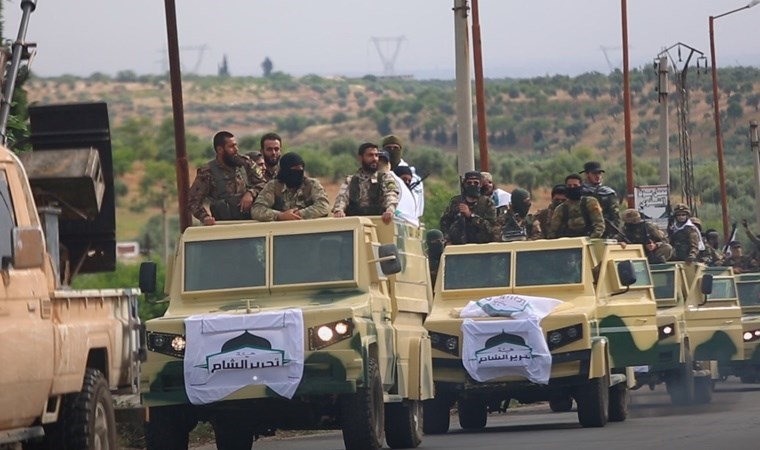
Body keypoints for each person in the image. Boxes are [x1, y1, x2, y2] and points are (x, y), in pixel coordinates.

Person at [188, 130, 265, 225]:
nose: (236, 149)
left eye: (236, 145)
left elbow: (264, 184)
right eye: (231, 147)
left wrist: (251, 193)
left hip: (250, 223)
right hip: (224, 227)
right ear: (220, 149)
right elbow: (192, 200)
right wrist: (205, 217)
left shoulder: (245, 163)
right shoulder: (208, 172)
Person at [332, 142, 399, 224]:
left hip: (378, 222)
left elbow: (391, 194)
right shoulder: (350, 180)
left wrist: (390, 210)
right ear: (360, 158)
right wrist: (339, 211)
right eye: (370, 155)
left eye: (376, 155)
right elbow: (342, 198)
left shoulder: (385, 178)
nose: (374, 159)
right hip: (355, 223)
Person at [250, 152, 329, 222]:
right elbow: (257, 209)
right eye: (294, 170)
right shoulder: (274, 186)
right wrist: (280, 216)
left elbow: (323, 206)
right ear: (285, 171)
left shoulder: (311, 184)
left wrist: (298, 214)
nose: (298, 172)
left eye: (301, 169)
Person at [439, 171, 496, 244]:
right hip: (457, 246)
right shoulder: (456, 202)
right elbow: (444, 223)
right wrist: (448, 238)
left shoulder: (487, 203)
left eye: (476, 183)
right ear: (465, 184)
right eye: (469, 183)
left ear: (481, 184)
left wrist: (470, 215)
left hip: (481, 246)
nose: (472, 185)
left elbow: (491, 229)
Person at [547, 174, 605, 239]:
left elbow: (599, 225)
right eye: (569, 186)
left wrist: (590, 239)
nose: (572, 188)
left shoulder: (590, 203)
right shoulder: (560, 209)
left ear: (581, 186)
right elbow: (552, 231)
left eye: (575, 185)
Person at [382, 135, 424, 216]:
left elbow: (417, 205)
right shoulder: (378, 173)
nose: (392, 150)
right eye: (388, 148)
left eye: (395, 148)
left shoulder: (413, 177)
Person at [581, 161, 620, 238]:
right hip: (583, 232)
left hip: (605, 234)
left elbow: (615, 217)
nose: (598, 176)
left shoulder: (608, 193)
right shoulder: (579, 193)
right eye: (594, 173)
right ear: (587, 174)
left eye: (599, 173)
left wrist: (612, 234)